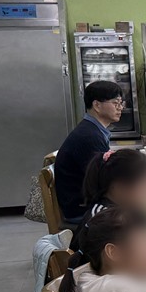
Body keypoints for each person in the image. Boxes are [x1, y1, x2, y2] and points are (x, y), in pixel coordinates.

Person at [55, 80, 124, 224]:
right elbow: (103, 180)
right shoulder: (89, 137)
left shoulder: (92, 130)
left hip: (86, 204)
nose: (120, 108)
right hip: (82, 210)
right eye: (115, 103)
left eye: (121, 103)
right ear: (97, 105)